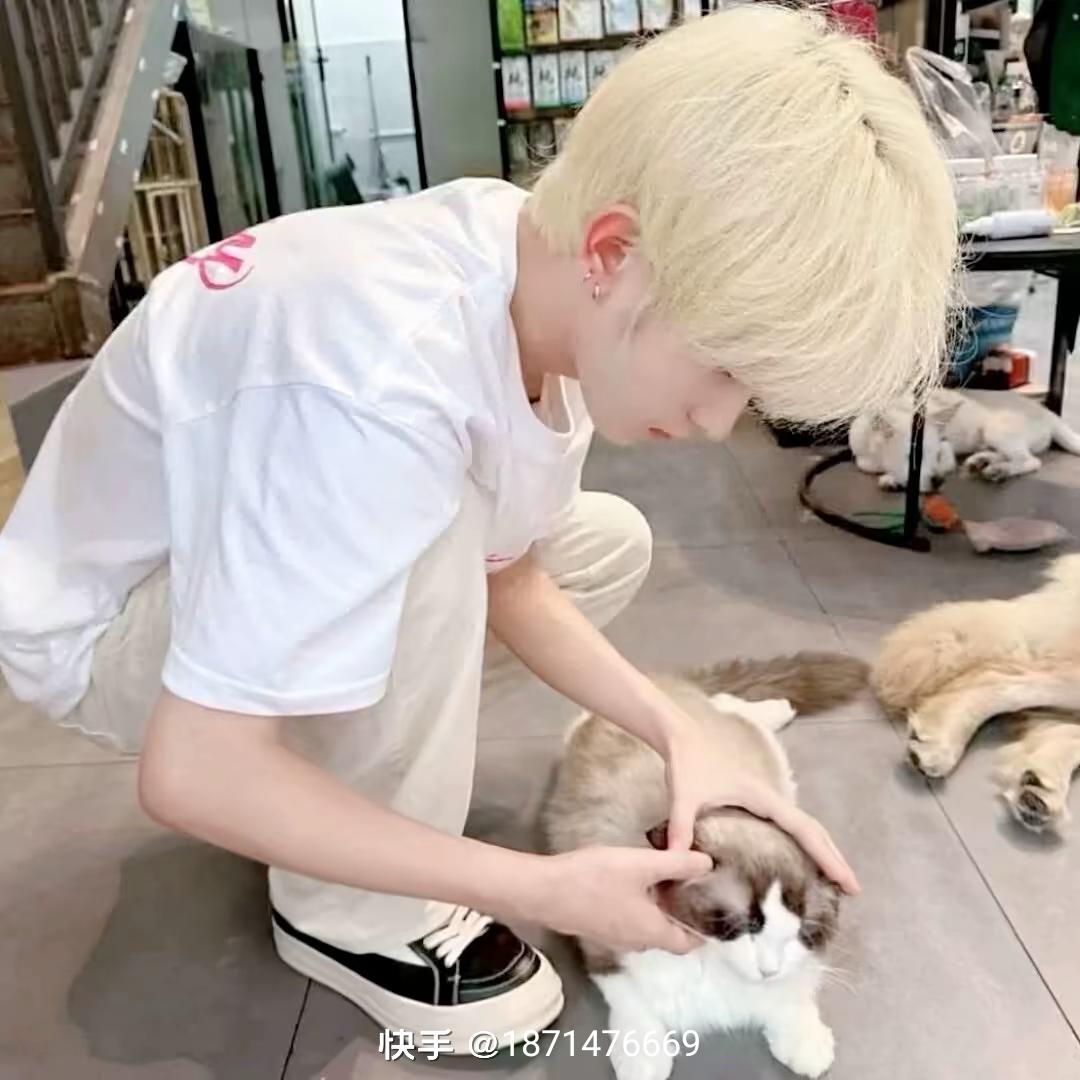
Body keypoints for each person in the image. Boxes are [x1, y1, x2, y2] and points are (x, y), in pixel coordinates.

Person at [0, 6, 956, 1051]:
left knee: (599, 542)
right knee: (432, 526)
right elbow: (192, 772)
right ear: (613, 252)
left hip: (226, 576)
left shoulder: (538, 269)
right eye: (724, 368)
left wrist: (683, 733)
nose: (715, 423)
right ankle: (349, 915)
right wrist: (542, 886)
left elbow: (514, 576)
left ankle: (330, 795)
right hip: (106, 644)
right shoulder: (378, 378)